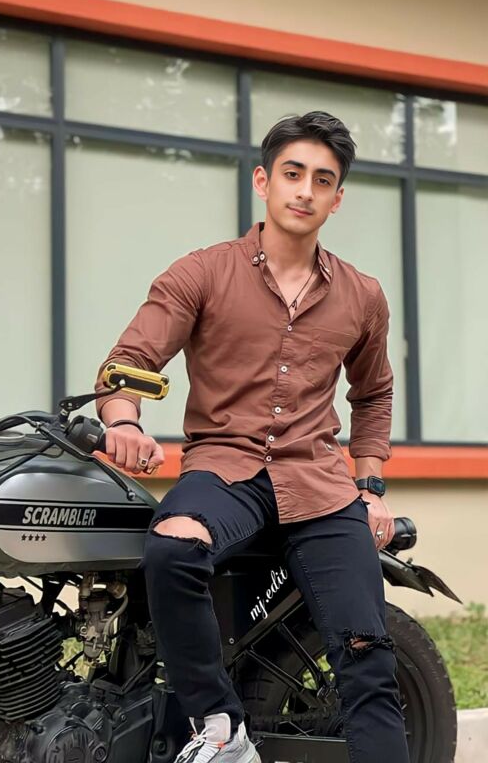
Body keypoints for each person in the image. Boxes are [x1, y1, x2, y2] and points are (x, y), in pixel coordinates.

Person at [94, 111, 410, 763]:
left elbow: (373, 392)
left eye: (322, 180)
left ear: (337, 198)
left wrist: (370, 484)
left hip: (320, 486)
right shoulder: (202, 272)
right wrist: (123, 420)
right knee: (172, 547)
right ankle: (219, 728)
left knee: (367, 655)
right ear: (264, 181)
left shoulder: (363, 296)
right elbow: (129, 362)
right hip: (225, 470)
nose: (305, 190)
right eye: (293, 174)